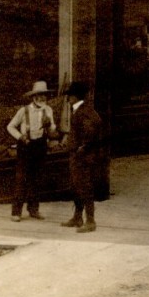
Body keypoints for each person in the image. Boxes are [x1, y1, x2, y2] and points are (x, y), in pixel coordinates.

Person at [6, 80, 57, 221]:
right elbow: (10, 126)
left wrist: (50, 126)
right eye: (39, 95)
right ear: (33, 97)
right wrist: (20, 136)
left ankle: (33, 210)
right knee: (21, 178)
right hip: (26, 146)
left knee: (36, 179)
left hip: (40, 146)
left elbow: (53, 128)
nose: (42, 98)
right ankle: (16, 212)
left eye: (44, 96)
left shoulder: (48, 110)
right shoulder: (24, 111)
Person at [58, 81, 104, 233]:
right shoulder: (83, 110)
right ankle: (78, 217)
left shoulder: (83, 111)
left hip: (82, 158)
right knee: (76, 186)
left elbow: (92, 130)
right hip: (79, 156)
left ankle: (90, 221)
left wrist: (81, 148)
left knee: (84, 187)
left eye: (70, 96)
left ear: (75, 97)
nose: (68, 99)